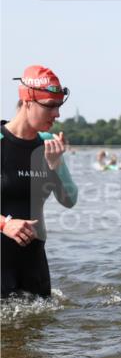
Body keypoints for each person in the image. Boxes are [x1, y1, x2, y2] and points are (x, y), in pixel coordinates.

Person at [2, 65, 78, 299]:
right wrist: (5, 225)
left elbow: (69, 200)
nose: (57, 114)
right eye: (50, 106)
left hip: (34, 262)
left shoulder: (47, 144)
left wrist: (55, 165)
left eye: (59, 106)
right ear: (27, 101)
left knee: (38, 331)